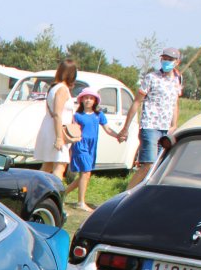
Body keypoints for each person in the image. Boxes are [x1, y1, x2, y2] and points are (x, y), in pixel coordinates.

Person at [117, 47, 183, 189]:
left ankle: (141, 194)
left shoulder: (177, 79)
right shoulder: (151, 77)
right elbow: (136, 102)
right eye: (164, 58)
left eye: (170, 59)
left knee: (158, 167)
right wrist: (125, 128)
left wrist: (174, 124)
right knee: (149, 164)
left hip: (165, 127)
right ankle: (126, 195)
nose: (166, 61)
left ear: (177, 62)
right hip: (150, 125)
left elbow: (175, 103)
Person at [67, 91, 118, 212]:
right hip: (80, 145)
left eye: (91, 98)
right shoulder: (77, 115)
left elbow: (108, 129)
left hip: (92, 146)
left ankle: (63, 193)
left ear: (95, 101)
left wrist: (118, 136)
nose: (88, 100)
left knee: (85, 175)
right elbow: (73, 130)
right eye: (86, 98)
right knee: (85, 173)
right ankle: (81, 202)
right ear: (81, 100)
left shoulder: (99, 115)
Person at [32, 58, 78, 181]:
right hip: (56, 130)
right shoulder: (62, 89)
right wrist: (59, 137)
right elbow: (58, 114)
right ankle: (57, 195)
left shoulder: (54, 87)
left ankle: (36, 191)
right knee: (60, 166)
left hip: (50, 127)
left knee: (47, 166)